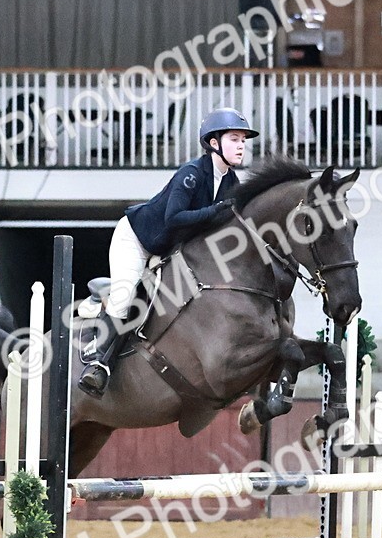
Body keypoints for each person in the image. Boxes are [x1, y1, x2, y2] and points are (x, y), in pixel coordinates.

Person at [78, 107, 259, 397]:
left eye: (243, 140)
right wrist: (215, 211)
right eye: (234, 139)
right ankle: (96, 362)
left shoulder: (229, 183)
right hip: (137, 240)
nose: (241, 145)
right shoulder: (191, 174)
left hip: (168, 249)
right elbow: (173, 218)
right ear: (214, 143)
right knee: (125, 299)